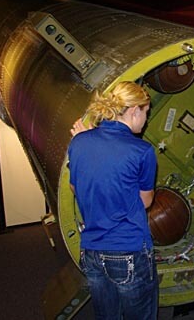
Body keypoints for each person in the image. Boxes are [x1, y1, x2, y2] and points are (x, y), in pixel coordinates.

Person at [67, 81, 159, 320]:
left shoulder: (79, 142)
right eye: (146, 112)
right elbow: (146, 201)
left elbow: (75, 187)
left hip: (91, 251)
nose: (146, 119)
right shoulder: (142, 151)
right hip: (129, 249)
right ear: (133, 110)